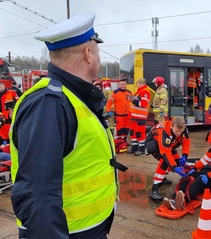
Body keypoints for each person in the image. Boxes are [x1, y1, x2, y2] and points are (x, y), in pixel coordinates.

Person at [9, 13, 127, 239]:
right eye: (98, 51)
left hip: (85, 228)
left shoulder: (71, 96)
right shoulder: (49, 103)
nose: (99, 58)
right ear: (88, 54)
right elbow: (38, 198)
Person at [163, 129, 211, 210]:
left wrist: (208, 176)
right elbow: (204, 160)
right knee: (188, 177)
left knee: (199, 180)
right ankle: (173, 198)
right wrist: (194, 169)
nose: (210, 143)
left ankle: (183, 201)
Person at [148, 117, 191, 201]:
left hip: (170, 144)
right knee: (165, 162)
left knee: (177, 162)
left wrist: (185, 155)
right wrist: (174, 167)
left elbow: (186, 141)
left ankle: (162, 177)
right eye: (176, 131)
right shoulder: (164, 132)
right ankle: (155, 188)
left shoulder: (184, 130)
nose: (178, 134)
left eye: (180, 131)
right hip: (154, 143)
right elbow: (165, 152)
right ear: (171, 126)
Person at [127, 78, 151, 156]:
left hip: (140, 117)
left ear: (141, 83)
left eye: (137, 83)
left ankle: (141, 148)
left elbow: (143, 104)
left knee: (139, 133)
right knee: (133, 132)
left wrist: (132, 100)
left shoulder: (145, 92)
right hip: (134, 116)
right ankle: (135, 146)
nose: (136, 84)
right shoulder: (140, 91)